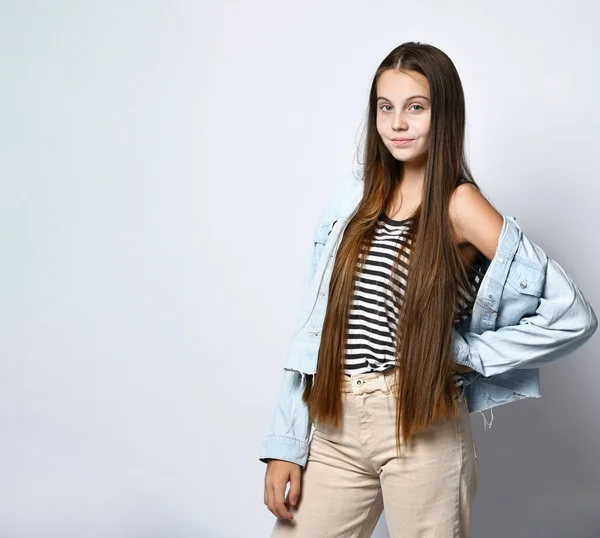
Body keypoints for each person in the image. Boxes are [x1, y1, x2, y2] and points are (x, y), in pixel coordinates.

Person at [259, 41, 597, 537]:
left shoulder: (460, 205)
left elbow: (573, 315)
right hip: (334, 420)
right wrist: (287, 443)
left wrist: (464, 353)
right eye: (385, 108)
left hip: (420, 421)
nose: (397, 124)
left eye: (415, 108)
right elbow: (314, 325)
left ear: (444, 116)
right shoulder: (354, 196)